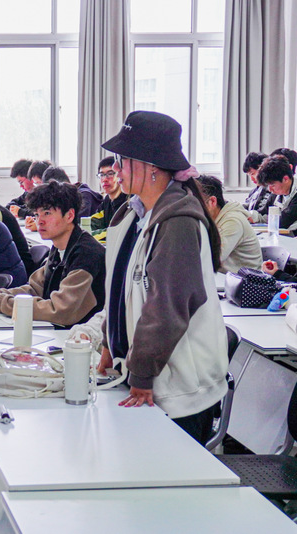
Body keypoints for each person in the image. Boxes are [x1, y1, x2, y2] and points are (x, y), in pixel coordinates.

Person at [99, 110, 228, 446]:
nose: (116, 169)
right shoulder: (134, 214)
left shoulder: (178, 222)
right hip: (141, 379)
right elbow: (120, 290)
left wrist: (142, 373)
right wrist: (108, 343)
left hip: (175, 391)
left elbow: (167, 308)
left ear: (152, 166)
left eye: (122, 161)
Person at [0, 180, 106, 327]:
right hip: (58, 331)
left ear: (69, 215)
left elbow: (61, 311)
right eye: (36, 214)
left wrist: (2, 302)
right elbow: (36, 288)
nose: (39, 221)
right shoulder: (59, 247)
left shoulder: (87, 254)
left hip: (80, 336)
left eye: (47, 213)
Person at [196, 174, 263, 273]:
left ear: (212, 201)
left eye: (196, 204)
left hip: (244, 279)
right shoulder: (213, 217)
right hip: (225, 276)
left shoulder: (233, 221)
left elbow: (212, 259)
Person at [90, 156, 129, 242]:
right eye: (101, 175)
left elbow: (118, 232)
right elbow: (92, 224)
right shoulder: (107, 201)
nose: (104, 179)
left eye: (110, 174)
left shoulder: (129, 201)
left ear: (119, 175)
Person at [255, 155, 297, 232]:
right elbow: (263, 212)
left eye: (272, 185)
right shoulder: (277, 193)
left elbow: (282, 222)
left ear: (285, 179)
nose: (270, 189)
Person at [241, 151, 275, 221]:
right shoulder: (254, 191)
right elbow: (246, 206)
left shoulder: (275, 190)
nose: (251, 179)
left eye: (252, 174)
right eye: (249, 175)